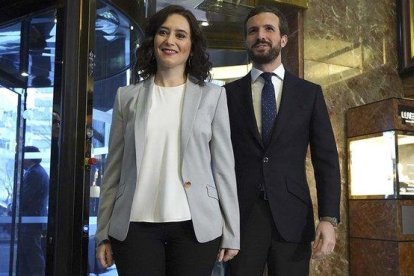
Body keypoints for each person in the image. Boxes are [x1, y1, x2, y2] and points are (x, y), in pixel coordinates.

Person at [95, 5, 239, 276]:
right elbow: (113, 169)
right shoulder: (126, 97)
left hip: (194, 227)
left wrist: (232, 231)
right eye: (163, 32)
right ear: (153, 41)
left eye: (180, 35)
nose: (170, 40)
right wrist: (103, 232)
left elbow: (224, 168)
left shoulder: (212, 97)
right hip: (134, 227)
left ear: (192, 46)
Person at [224, 5, 341, 276]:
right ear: (246, 40)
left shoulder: (309, 94)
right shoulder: (226, 95)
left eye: (269, 29)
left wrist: (328, 218)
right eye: (253, 31)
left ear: (283, 39)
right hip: (240, 218)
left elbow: (326, 159)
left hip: (293, 218)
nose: (260, 35)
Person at [18, 146, 49, 275]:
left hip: (30, 222)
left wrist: (10, 208)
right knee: (29, 255)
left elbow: (25, 198)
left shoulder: (34, 174)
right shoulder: (37, 171)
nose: (19, 160)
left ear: (29, 158)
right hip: (33, 221)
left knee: (33, 256)